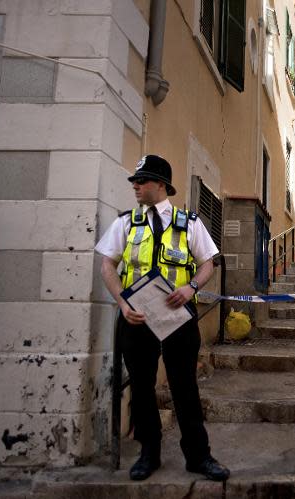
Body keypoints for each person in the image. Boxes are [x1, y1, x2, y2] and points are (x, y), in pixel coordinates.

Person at [95, 154, 230, 482]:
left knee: (185, 388)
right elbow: (107, 266)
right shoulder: (126, 223)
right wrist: (122, 303)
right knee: (141, 388)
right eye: (134, 182)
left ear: (161, 184)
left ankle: (199, 456)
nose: (136, 186)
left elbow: (208, 263)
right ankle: (148, 453)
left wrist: (190, 287)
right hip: (137, 319)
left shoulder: (189, 222)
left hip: (178, 320)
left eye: (141, 181)